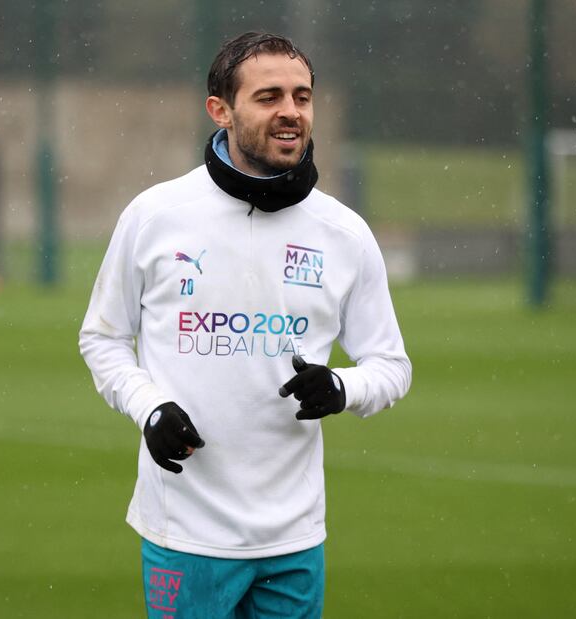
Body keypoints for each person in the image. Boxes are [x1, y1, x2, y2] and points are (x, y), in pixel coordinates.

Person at [79, 31, 411, 619]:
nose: (290, 111)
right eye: (269, 97)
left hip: (294, 538)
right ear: (221, 110)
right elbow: (103, 337)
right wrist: (148, 407)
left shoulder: (344, 233)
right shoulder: (155, 216)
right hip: (186, 531)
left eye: (302, 97)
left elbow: (391, 365)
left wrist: (342, 387)